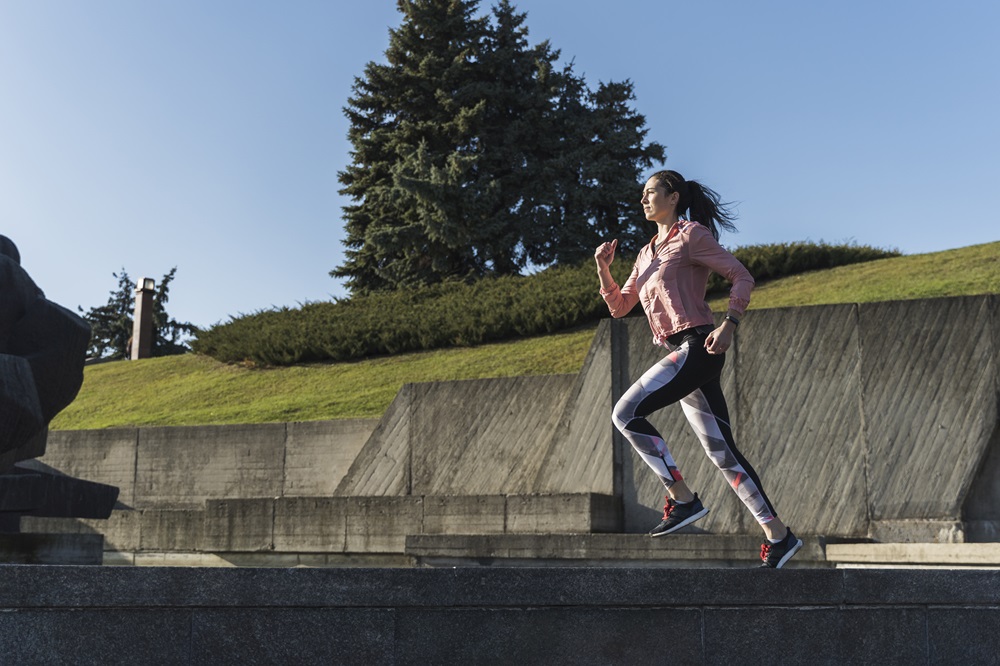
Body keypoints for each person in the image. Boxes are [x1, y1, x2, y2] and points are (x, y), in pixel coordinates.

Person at [594, 169, 802, 569]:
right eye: (642, 194)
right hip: (681, 351)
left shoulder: (691, 236)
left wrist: (730, 323)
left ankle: (683, 498)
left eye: (650, 193)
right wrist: (604, 269)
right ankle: (779, 535)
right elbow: (621, 307)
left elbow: (741, 276)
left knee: (626, 413)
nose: (643, 200)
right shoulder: (646, 252)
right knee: (722, 452)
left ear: (673, 198)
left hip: (700, 345)